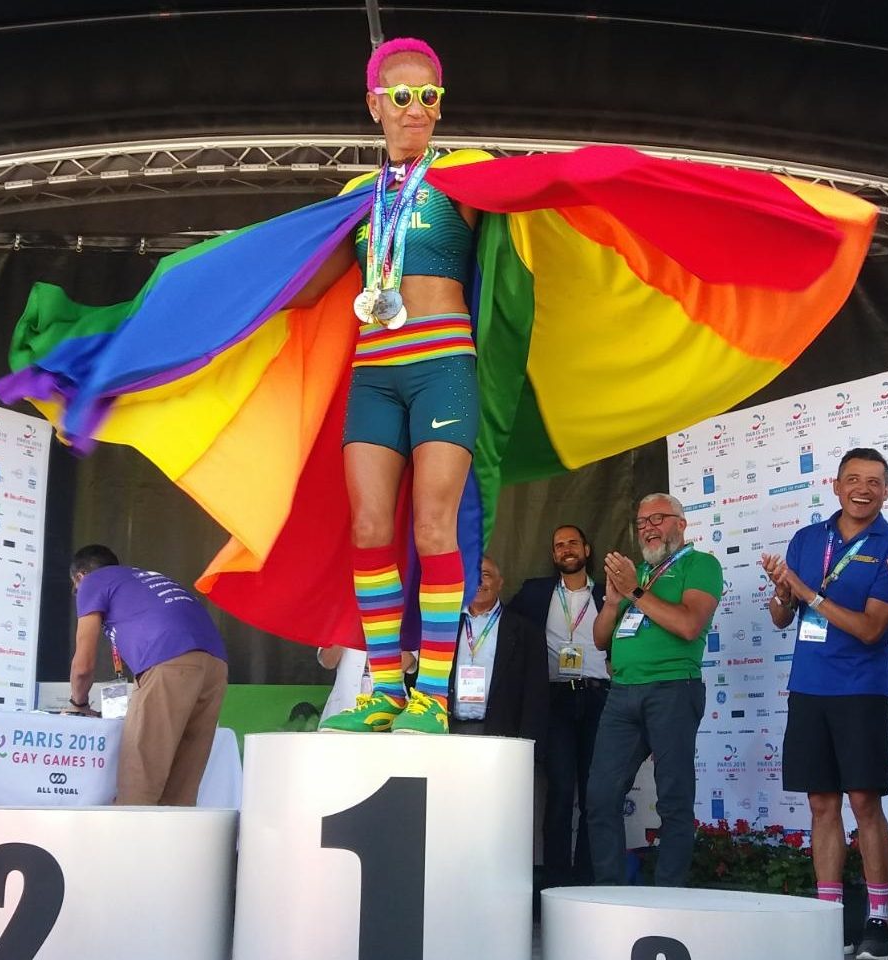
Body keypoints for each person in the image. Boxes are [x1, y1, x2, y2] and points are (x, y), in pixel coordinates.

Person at [300, 37, 479, 735]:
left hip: (444, 369)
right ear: (374, 104)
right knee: (370, 529)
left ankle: (431, 694)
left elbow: (536, 211)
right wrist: (232, 295)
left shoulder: (467, 176)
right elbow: (309, 285)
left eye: (430, 96)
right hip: (375, 371)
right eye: (402, 96)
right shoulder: (356, 196)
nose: (417, 109)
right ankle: (383, 691)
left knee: (433, 529)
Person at [761, 448, 888, 960]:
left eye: (874, 481)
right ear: (836, 485)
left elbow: (871, 629)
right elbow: (784, 618)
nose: (863, 489)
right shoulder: (807, 539)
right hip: (809, 688)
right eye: (853, 479)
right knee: (821, 804)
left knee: (864, 802)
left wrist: (807, 591)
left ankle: (877, 921)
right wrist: (782, 593)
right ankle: (828, 916)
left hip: (860, 690)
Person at [586, 494, 722, 887]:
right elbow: (599, 640)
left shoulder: (700, 565)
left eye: (658, 518)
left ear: (681, 523)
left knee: (674, 799)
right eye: (642, 521)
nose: (647, 527)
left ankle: (668, 894)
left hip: (672, 689)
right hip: (623, 692)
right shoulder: (639, 574)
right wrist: (613, 604)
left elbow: (688, 625)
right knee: (600, 796)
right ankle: (609, 893)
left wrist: (635, 593)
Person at [64, 544, 229, 806]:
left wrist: (78, 703)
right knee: (181, 788)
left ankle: (127, 846)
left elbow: (82, 665)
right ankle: (171, 846)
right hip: (216, 666)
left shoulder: (92, 582)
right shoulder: (144, 579)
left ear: (80, 577)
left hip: (170, 661)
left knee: (140, 781)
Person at [510, 524, 608, 886]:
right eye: (559, 545)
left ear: (586, 549)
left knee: (595, 793)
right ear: (553, 556)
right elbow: (508, 633)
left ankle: (585, 882)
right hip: (554, 700)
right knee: (561, 790)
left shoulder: (609, 592)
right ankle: (554, 885)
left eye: (572, 543)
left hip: (599, 696)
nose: (566, 549)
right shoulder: (534, 593)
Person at [448, 556, 548, 745]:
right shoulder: (444, 626)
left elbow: (536, 695)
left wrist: (529, 745)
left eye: (485, 575)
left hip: (502, 736)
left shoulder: (526, 631)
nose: (478, 581)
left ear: (500, 583)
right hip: (449, 732)